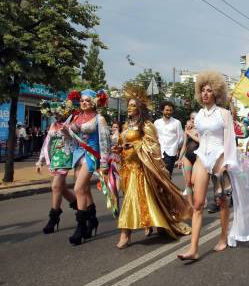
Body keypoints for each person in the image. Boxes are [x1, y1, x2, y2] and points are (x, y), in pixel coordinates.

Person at [178, 71, 249, 259]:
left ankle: (222, 237)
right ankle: (193, 249)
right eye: (202, 90)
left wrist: (227, 163)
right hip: (202, 157)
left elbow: (229, 141)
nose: (205, 93)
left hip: (220, 157)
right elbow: (203, 138)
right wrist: (190, 135)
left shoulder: (224, 114)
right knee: (198, 203)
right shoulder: (200, 116)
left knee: (222, 201)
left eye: (209, 90)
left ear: (216, 93)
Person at [113, 98, 191, 248]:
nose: (129, 108)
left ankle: (125, 234)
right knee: (149, 199)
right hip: (127, 168)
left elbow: (153, 145)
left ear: (139, 108)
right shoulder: (126, 125)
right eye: (128, 105)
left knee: (131, 199)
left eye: (133, 105)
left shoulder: (147, 125)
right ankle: (160, 224)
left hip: (141, 169)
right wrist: (120, 147)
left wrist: (135, 145)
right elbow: (123, 143)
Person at [64, 89, 111, 246]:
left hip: (91, 156)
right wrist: (66, 131)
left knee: (78, 189)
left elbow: (105, 142)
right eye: (82, 100)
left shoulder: (100, 119)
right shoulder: (77, 117)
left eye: (87, 100)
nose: (84, 102)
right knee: (84, 190)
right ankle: (92, 219)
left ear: (94, 102)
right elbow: (72, 137)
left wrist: (104, 164)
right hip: (78, 155)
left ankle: (81, 226)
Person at [35, 101, 77, 233]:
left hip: (65, 156)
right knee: (61, 188)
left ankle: (54, 218)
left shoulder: (72, 123)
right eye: (55, 113)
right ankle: (83, 209)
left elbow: (77, 139)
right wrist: (40, 160)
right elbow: (47, 142)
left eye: (59, 112)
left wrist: (68, 133)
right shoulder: (53, 124)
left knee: (55, 187)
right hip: (54, 158)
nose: (56, 114)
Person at [154, 101, 183, 177]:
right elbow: (154, 136)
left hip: (171, 152)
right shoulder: (157, 123)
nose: (169, 112)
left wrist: (177, 148)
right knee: (158, 175)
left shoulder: (177, 123)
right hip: (159, 152)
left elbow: (181, 138)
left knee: (167, 175)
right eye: (167, 110)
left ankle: (166, 189)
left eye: (170, 110)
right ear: (162, 111)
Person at [178, 111, 199, 206]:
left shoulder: (201, 129)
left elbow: (200, 140)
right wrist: (179, 158)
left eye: (196, 118)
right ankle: (191, 206)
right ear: (190, 119)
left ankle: (199, 201)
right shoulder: (188, 130)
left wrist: (188, 133)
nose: (194, 120)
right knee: (188, 182)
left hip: (198, 158)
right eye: (192, 118)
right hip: (188, 157)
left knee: (195, 181)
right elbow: (184, 145)